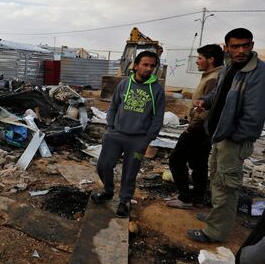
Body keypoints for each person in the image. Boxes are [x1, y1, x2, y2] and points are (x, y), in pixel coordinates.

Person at [187, 28, 265, 243]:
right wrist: (206, 101)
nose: (241, 50)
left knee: (226, 188)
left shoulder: (259, 73)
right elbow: (218, 92)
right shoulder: (230, 66)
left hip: (232, 140)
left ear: (251, 45)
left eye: (246, 45)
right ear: (226, 48)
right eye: (235, 46)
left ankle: (215, 232)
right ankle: (216, 218)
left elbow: (254, 116)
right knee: (217, 180)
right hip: (219, 135)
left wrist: (234, 138)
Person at [91, 50, 165, 218]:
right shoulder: (124, 84)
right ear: (136, 65)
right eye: (145, 64)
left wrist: (148, 138)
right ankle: (108, 191)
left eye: (152, 66)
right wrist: (110, 127)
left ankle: (124, 201)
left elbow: (158, 116)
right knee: (103, 166)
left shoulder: (157, 89)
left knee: (130, 172)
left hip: (138, 139)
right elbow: (114, 106)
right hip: (116, 135)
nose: (148, 69)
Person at [167, 44, 224, 209]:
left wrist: (191, 127)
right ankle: (198, 198)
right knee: (199, 162)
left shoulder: (214, 78)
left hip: (199, 129)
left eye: (200, 58)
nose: (197, 62)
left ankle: (185, 198)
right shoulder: (213, 75)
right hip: (204, 130)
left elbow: (206, 109)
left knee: (176, 159)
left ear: (211, 59)